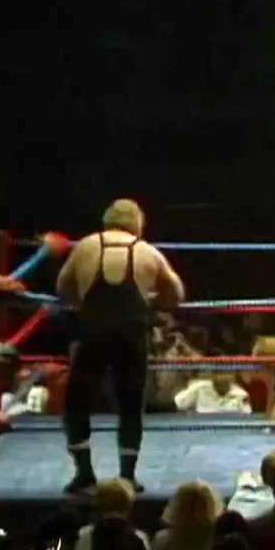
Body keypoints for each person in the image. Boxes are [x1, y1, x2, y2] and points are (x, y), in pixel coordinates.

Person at [55, 198, 186, 494]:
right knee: (130, 405)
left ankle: (83, 473)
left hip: (94, 331)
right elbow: (177, 294)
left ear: (107, 220)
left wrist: (83, 302)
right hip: (131, 333)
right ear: (138, 224)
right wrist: (152, 301)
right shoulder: (147, 251)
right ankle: (127, 476)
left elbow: (62, 288)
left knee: (77, 402)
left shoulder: (87, 246)